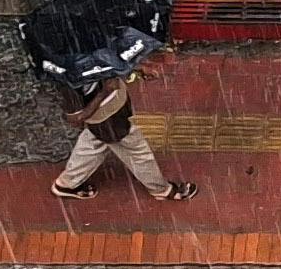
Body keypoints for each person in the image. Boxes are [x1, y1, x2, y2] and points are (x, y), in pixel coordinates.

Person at [53, 55, 193, 204]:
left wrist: (136, 67)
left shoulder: (84, 52)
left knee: (94, 143)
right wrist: (105, 92)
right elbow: (76, 119)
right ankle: (161, 190)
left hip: (109, 117)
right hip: (109, 121)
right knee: (137, 152)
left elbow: (106, 59)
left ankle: (67, 183)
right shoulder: (68, 78)